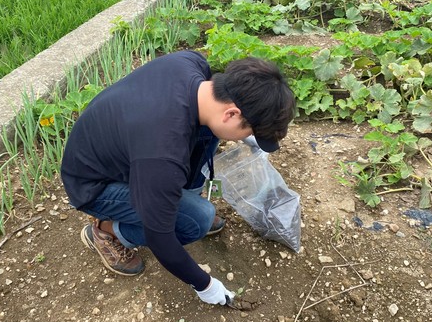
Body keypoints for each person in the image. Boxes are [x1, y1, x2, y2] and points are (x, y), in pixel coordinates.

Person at [60, 51, 295, 306]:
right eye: (248, 129)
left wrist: (247, 132)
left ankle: (182, 199)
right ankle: (108, 232)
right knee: (197, 221)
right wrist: (205, 285)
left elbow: (204, 126)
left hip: (125, 152)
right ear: (232, 113)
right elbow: (161, 238)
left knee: (208, 130)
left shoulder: (191, 64)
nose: (243, 137)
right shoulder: (163, 154)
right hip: (93, 184)